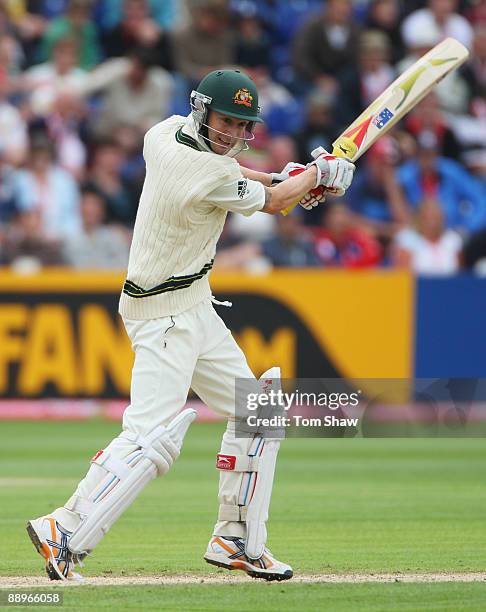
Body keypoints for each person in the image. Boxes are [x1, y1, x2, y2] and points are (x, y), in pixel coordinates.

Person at [26, 68, 355, 582]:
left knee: (260, 414)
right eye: (226, 121)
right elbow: (268, 200)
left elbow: (252, 181)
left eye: (244, 125)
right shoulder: (204, 171)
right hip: (164, 315)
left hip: (194, 303)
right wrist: (316, 175)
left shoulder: (163, 133)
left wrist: (295, 175)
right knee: (149, 438)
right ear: (203, 111)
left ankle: (237, 539)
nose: (234, 134)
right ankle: (63, 529)